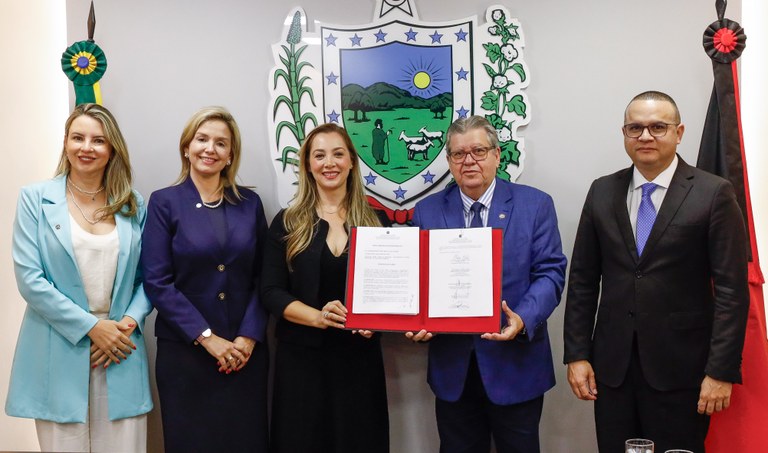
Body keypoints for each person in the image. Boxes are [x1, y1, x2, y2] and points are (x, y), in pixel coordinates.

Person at [563, 91, 749, 452]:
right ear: (624, 133)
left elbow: (731, 291)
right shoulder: (602, 191)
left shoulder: (713, 193)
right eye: (635, 128)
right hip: (612, 371)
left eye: (657, 127)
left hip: (683, 370)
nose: (645, 136)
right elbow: (583, 280)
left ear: (679, 133)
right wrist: (577, 354)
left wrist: (721, 371)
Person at [409, 115, 567, 453]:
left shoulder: (535, 204)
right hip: (454, 370)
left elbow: (551, 272)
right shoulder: (427, 211)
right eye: (458, 154)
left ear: (497, 155)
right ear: (449, 161)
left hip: (516, 365)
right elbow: (415, 280)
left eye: (478, 151)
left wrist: (522, 317)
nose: (469, 161)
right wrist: (414, 318)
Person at [6, 103, 153, 452]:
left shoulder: (132, 203)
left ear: (112, 148)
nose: (86, 147)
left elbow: (150, 276)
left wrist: (127, 323)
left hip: (120, 346)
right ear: (66, 143)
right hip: (58, 343)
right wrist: (91, 327)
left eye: (98, 140)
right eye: (78, 138)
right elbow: (30, 279)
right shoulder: (35, 199)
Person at [141, 106, 269, 452]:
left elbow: (265, 277)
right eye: (201, 139)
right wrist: (208, 338)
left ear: (230, 156)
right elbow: (157, 282)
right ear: (187, 147)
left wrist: (247, 337)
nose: (210, 149)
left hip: (244, 354)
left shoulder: (250, 203)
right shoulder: (164, 202)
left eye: (221, 143)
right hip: (185, 354)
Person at [261, 123, 390, 453]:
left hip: (359, 363)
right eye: (319, 155)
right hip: (301, 365)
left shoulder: (378, 222)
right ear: (307, 164)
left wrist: (377, 321)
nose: (329, 163)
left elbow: (393, 292)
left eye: (338, 154)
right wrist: (319, 317)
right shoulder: (287, 222)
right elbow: (271, 292)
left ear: (352, 162)